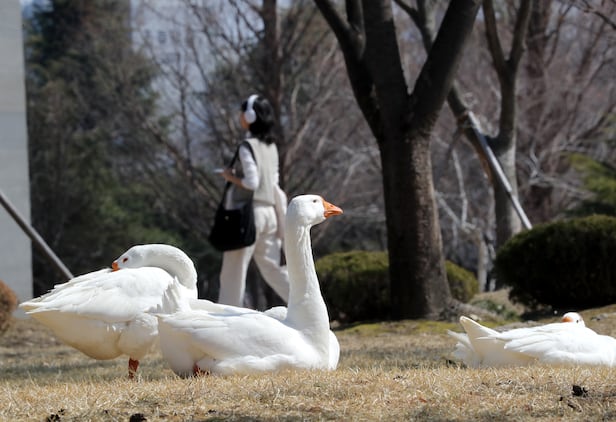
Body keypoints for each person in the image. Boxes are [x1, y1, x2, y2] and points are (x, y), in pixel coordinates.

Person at [217, 94, 290, 307]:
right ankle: (306, 304)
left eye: (242, 112)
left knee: (233, 272)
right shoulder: (272, 147)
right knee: (272, 269)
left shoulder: (246, 146)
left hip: (248, 215)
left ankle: (226, 317)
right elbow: (273, 182)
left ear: (250, 116)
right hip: (270, 213)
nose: (240, 116)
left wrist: (230, 177)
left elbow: (252, 182)